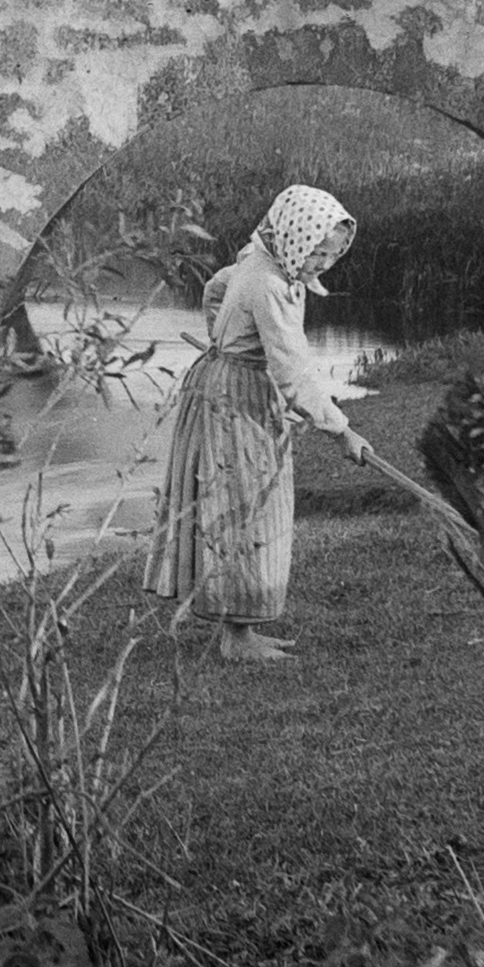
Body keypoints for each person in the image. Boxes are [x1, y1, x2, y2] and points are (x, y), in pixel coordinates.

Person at [143, 182, 372, 660]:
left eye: (331, 256)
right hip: (236, 397)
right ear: (295, 237)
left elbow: (215, 289)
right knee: (245, 505)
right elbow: (292, 369)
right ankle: (237, 638)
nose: (322, 265)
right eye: (317, 253)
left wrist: (224, 343)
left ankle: (239, 629)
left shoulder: (260, 259)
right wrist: (341, 429)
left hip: (224, 383)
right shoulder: (270, 284)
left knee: (243, 500)